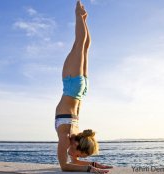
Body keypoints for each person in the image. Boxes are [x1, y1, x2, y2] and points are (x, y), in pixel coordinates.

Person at [55, 1, 112, 173]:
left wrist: (94, 166)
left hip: (81, 90)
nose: (78, 157)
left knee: (84, 47)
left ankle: (82, 18)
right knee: (80, 44)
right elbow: (65, 167)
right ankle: (78, 15)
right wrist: (90, 169)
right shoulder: (67, 138)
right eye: (81, 155)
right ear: (78, 145)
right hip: (73, 86)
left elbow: (70, 164)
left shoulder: (73, 137)